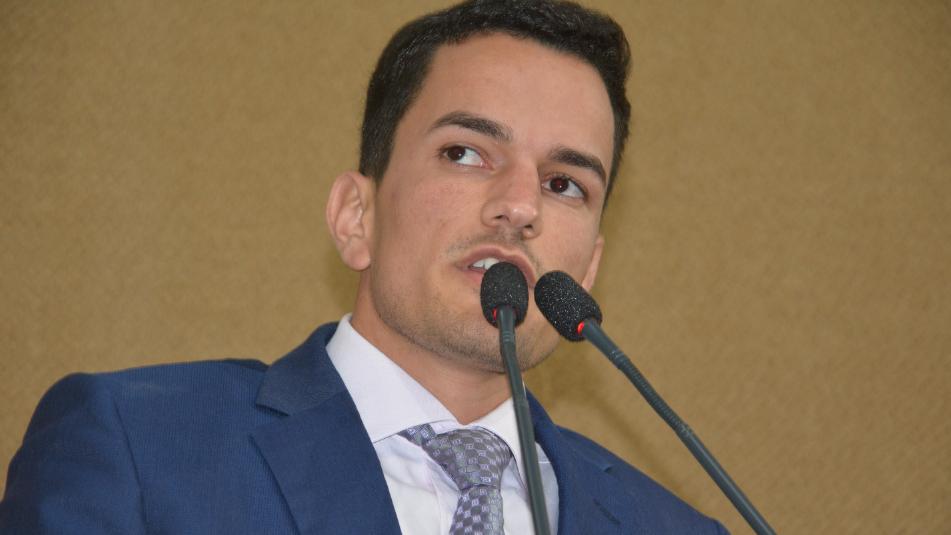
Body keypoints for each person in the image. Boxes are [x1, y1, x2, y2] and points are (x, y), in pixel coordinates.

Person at [1, 1, 728, 533]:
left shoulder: (671, 526)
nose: (518, 205)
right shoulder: (138, 447)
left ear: (588, 270)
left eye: (564, 183)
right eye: (465, 153)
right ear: (357, 216)